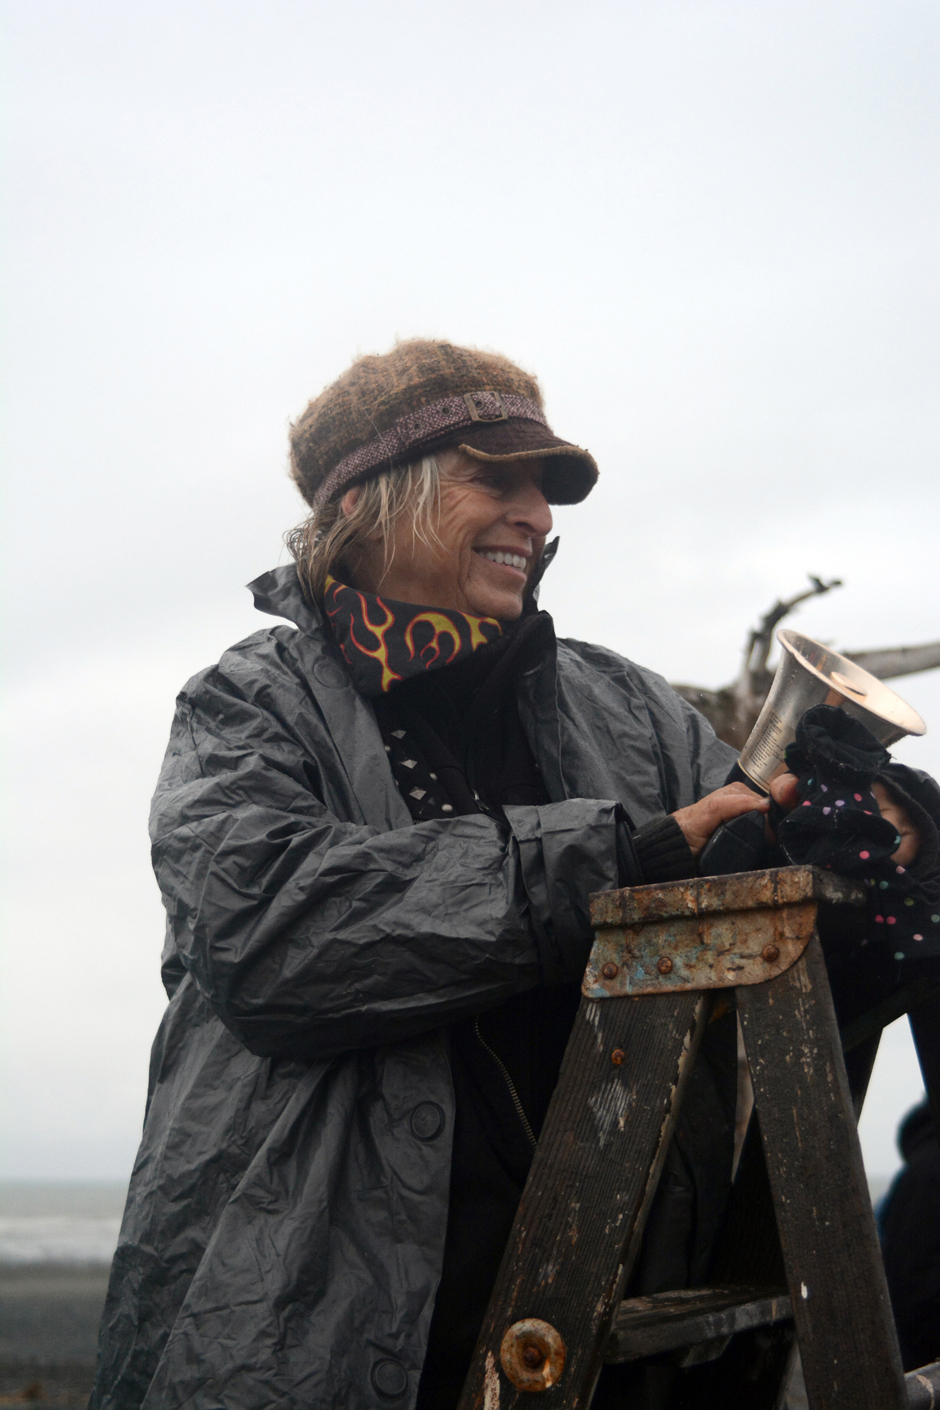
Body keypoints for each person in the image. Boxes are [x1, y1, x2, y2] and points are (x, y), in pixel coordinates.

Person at [89, 340, 916, 1410]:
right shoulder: (246, 707)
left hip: (602, 1334)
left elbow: (769, 922)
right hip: (306, 1324)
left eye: (546, 489)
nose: (537, 515)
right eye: (498, 478)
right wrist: (625, 863)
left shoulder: (630, 706)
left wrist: (888, 831)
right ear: (374, 502)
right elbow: (276, 936)